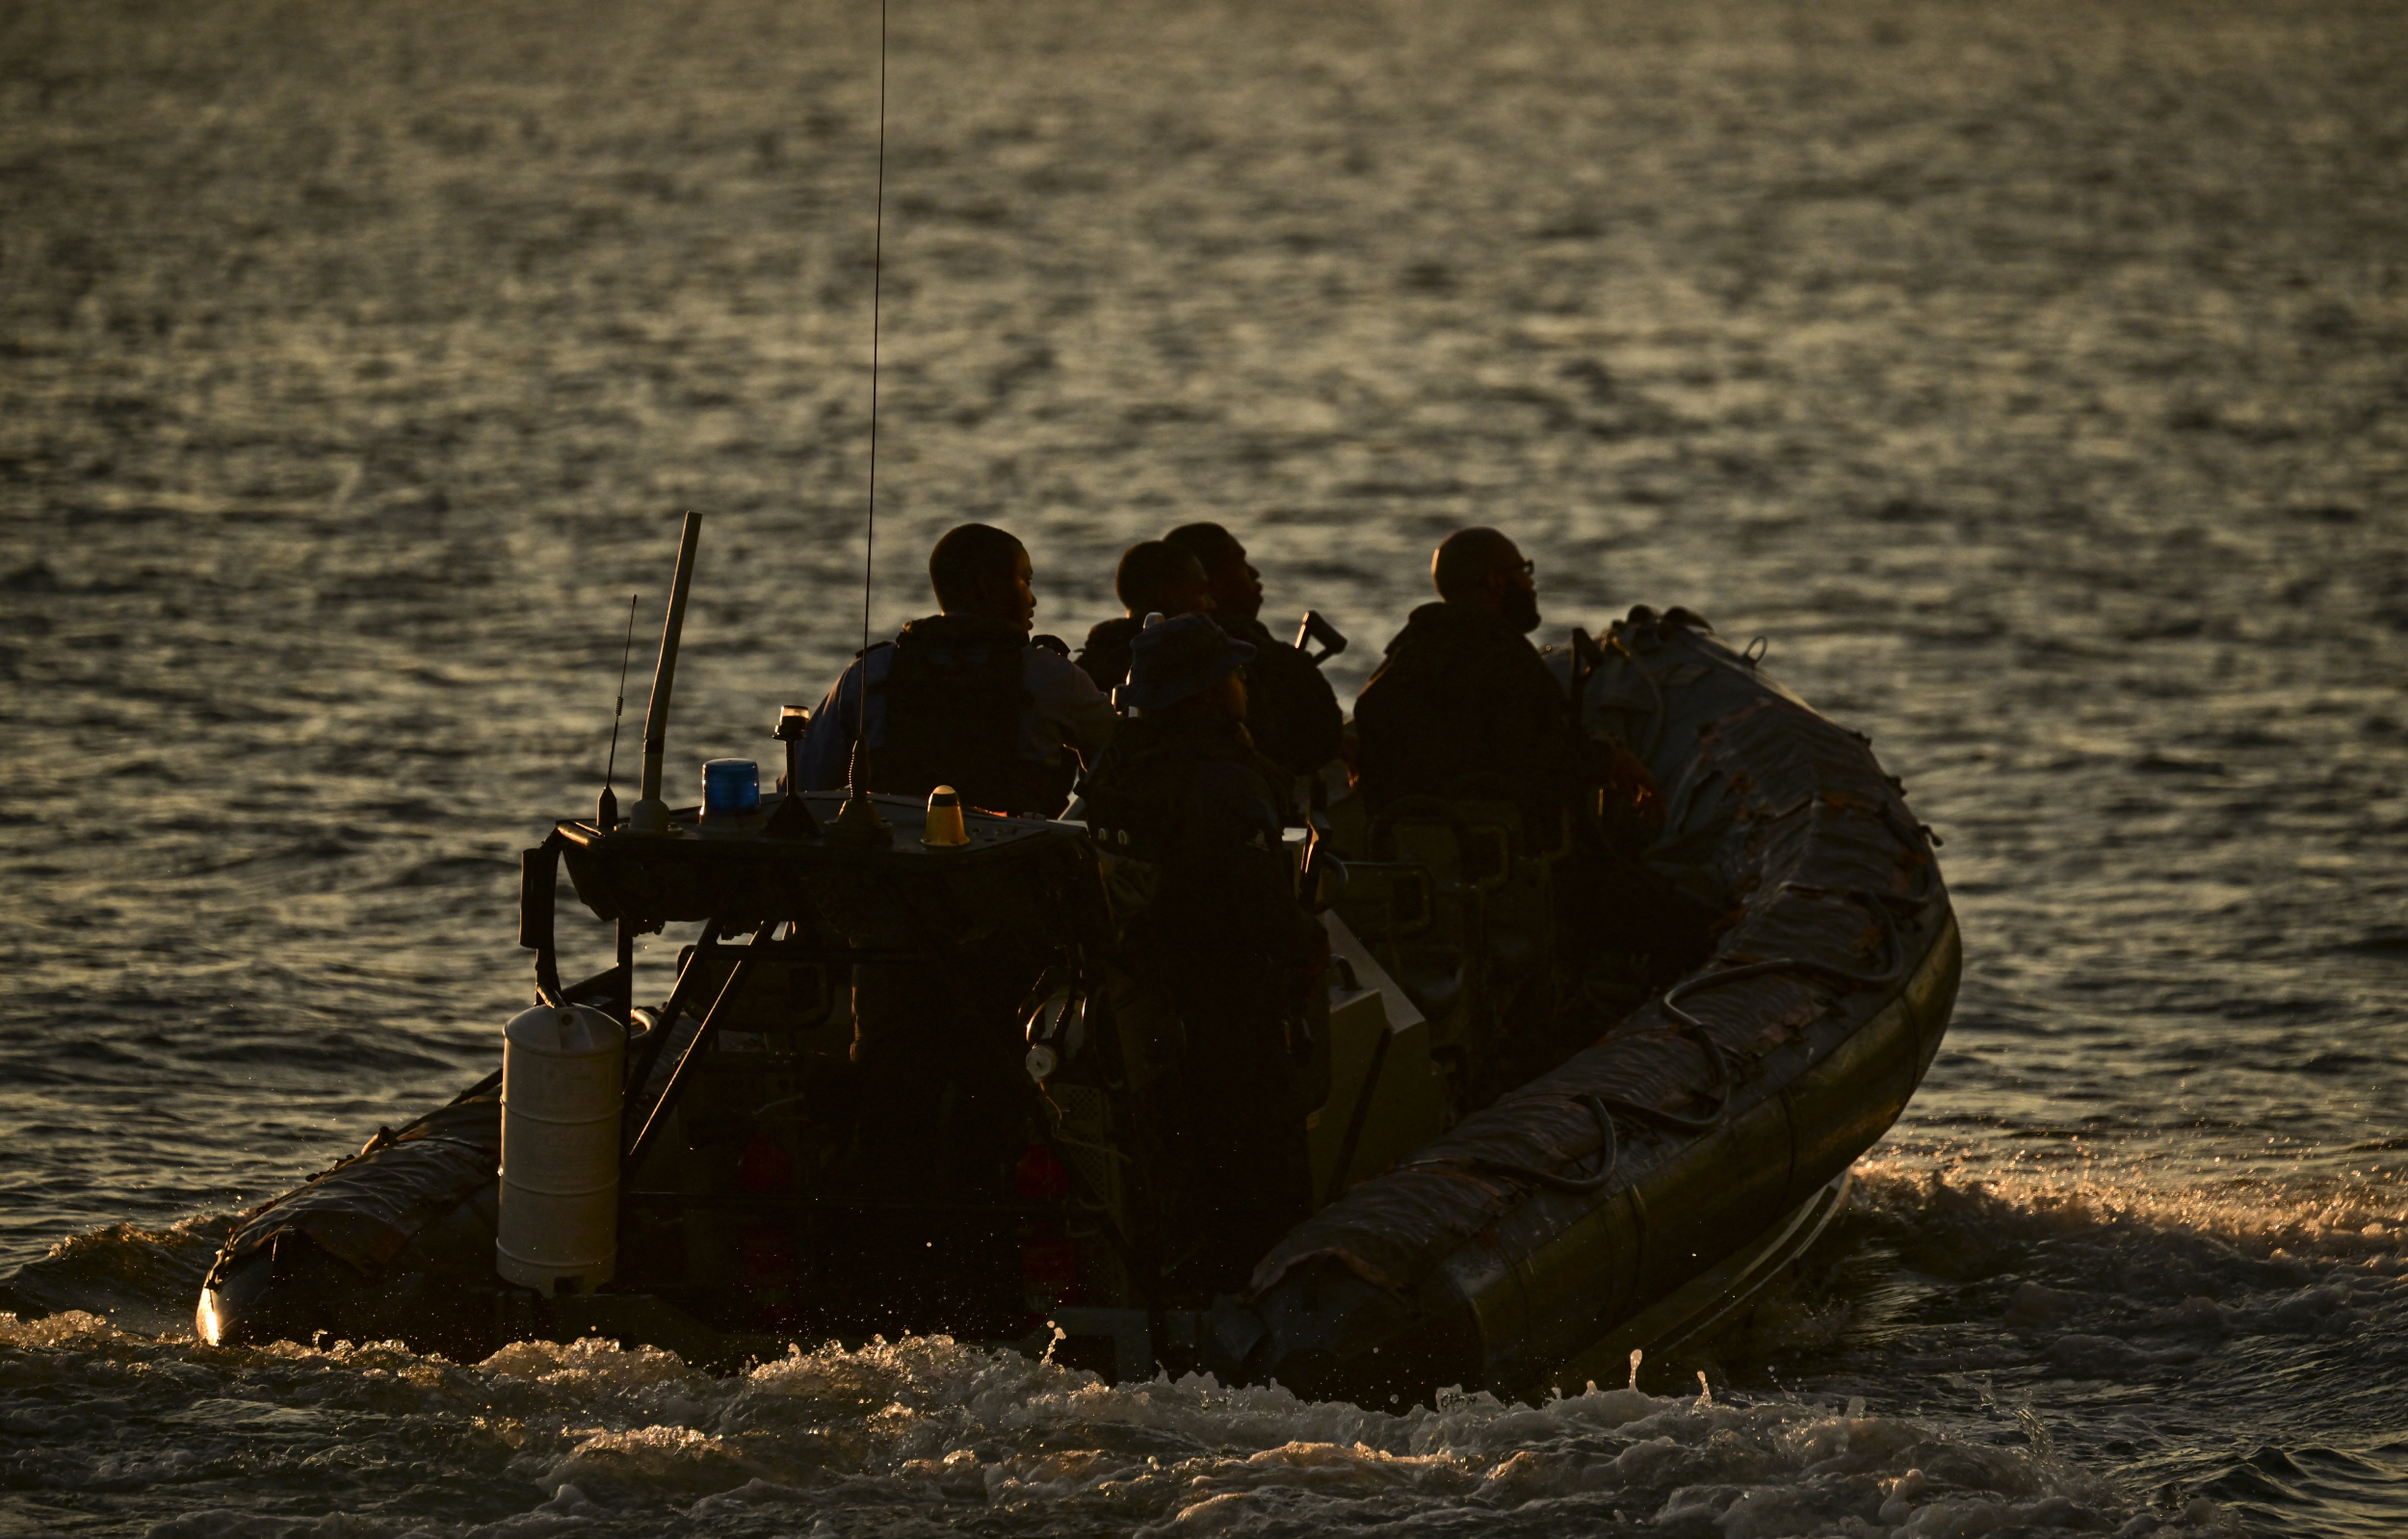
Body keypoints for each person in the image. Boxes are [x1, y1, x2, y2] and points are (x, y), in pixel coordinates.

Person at [1079, 614, 1327, 1289]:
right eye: (1235, 675)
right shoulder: (1222, 779)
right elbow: (1254, 894)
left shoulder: (1117, 762)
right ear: (1209, 692)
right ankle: (1261, 1284)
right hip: (1228, 993)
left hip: (1145, 980)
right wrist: (1309, 941)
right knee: (1259, 1162)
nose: (1244, 685)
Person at [797, 523, 1114, 818]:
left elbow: (805, 785)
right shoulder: (1052, 675)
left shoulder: (870, 673)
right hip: (1012, 863)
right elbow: (1118, 762)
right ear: (988, 587)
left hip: (888, 864)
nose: (1033, 599)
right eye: (1026, 581)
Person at [1352, 527, 1573, 845]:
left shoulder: (1402, 661)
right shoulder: (1506, 662)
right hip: (1500, 858)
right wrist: (1608, 759)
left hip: (1407, 853)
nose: (1531, 583)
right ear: (1495, 581)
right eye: (1523, 570)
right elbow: (1547, 762)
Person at [1162, 523, 1343, 781]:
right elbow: (1316, 745)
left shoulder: (1153, 652)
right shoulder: (1250, 657)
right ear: (1213, 586)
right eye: (1241, 564)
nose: (1255, 574)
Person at [1073, 539, 1215, 696]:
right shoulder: (1183, 669)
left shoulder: (1082, 672)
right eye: (1201, 592)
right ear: (1168, 595)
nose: (1211, 604)